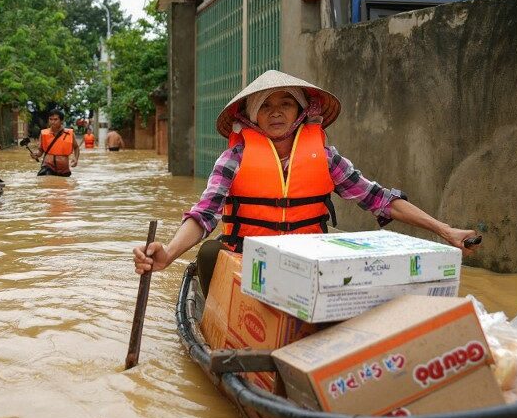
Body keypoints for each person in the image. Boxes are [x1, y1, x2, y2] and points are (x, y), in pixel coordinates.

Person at [133, 70, 480, 296]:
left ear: (300, 112)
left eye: (286, 103)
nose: (277, 112)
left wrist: (443, 230)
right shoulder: (233, 159)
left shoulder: (325, 158)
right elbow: (204, 215)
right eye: (265, 106)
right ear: (252, 116)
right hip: (249, 264)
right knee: (210, 253)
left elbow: (380, 200)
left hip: (309, 266)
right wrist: (169, 253)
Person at [25, 109, 80, 176]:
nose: (52, 122)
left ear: (61, 121)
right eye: (50, 119)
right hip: (48, 167)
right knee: (47, 181)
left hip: (64, 170)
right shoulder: (43, 133)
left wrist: (75, 158)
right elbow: (41, 151)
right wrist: (36, 155)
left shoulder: (69, 134)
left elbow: (76, 147)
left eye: (55, 119)